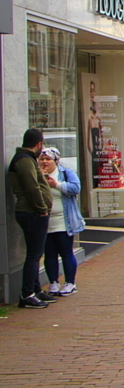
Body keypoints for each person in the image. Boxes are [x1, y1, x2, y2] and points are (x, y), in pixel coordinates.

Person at [8, 128, 55, 308]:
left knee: (36, 254)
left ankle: (35, 290)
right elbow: (32, 187)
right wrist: (42, 208)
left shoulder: (27, 159)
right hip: (31, 212)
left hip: (33, 211)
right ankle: (27, 294)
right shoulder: (24, 160)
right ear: (39, 144)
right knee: (34, 255)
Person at [39, 147, 85, 296]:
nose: (44, 162)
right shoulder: (37, 174)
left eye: (48, 159)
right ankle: (53, 282)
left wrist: (56, 185)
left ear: (55, 161)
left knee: (66, 252)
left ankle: (70, 283)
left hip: (63, 221)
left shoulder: (65, 173)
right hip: (46, 221)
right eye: (42, 159)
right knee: (50, 254)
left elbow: (75, 187)